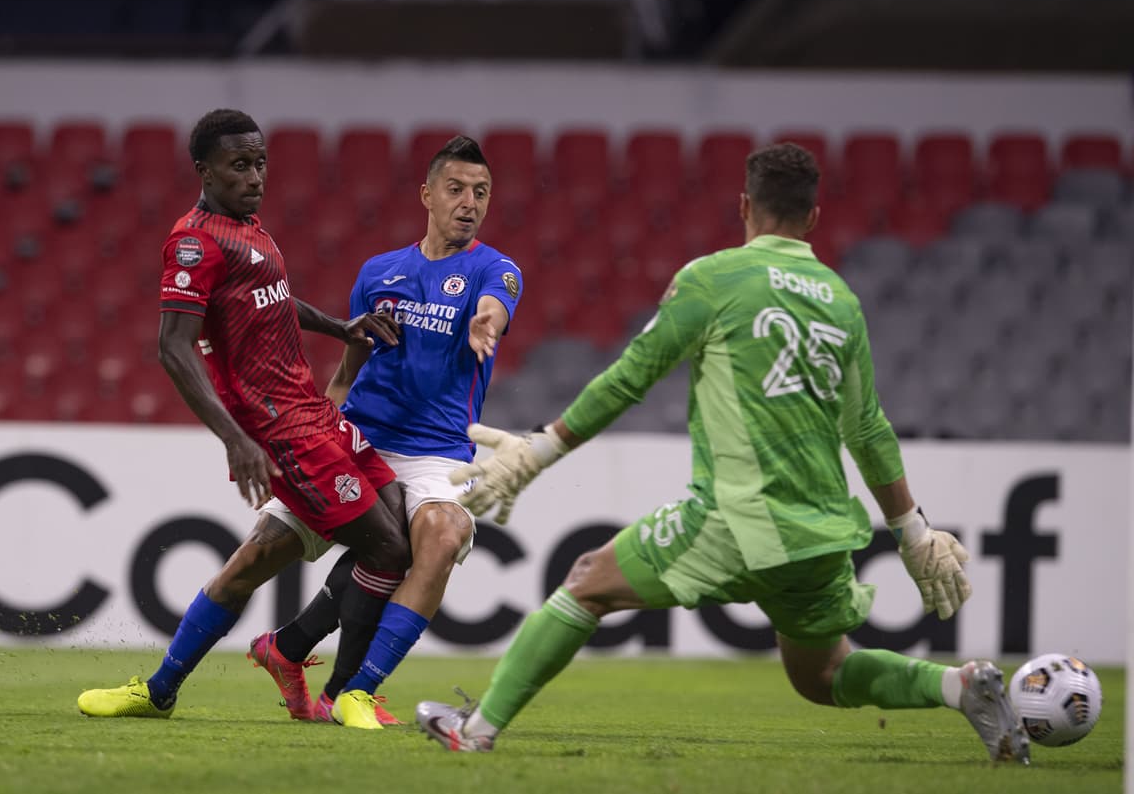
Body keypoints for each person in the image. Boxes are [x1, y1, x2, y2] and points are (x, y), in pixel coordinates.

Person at [415, 142, 1031, 765]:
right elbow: (867, 428)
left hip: (737, 516)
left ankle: (478, 730)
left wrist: (538, 450)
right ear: (813, 218)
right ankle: (961, 686)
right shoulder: (840, 301)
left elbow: (630, 378)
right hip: (820, 532)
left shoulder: (713, 278)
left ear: (744, 207)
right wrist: (912, 532)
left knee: (584, 584)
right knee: (821, 676)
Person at [76, 108, 412, 725]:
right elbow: (172, 347)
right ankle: (342, 695)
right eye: (239, 165)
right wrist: (235, 440)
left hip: (313, 412)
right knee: (388, 551)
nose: (254, 175)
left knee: (280, 559)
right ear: (204, 170)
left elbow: (275, 301)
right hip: (278, 432)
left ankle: (166, 688)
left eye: (259, 162)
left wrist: (340, 327)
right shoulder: (194, 240)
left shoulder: (251, 230)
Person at [246, 135, 524, 728]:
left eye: (481, 193)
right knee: (266, 551)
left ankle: (350, 687)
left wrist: (486, 323)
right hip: (361, 438)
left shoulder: (495, 270)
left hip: (438, 453)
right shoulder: (379, 272)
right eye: (456, 189)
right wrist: (314, 427)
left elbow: (496, 305)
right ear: (427, 195)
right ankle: (264, 658)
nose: (469, 202)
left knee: (440, 537)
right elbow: (351, 363)